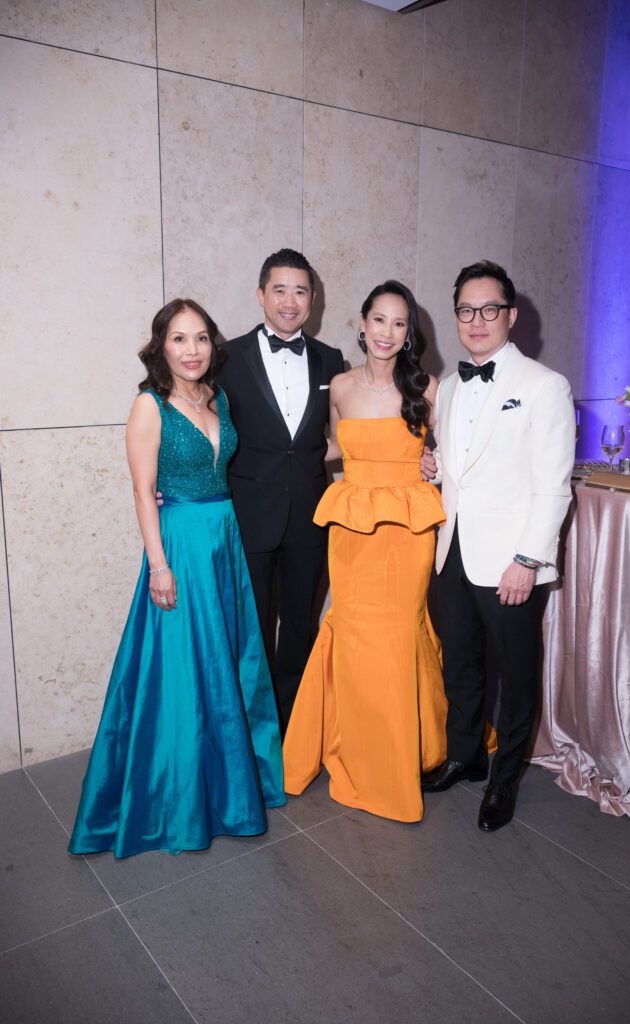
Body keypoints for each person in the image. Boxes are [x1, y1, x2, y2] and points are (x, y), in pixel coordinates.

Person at [69, 299, 285, 859]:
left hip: (224, 538)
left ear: (213, 344)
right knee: (185, 670)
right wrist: (159, 565)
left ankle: (229, 787)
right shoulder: (149, 406)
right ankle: (179, 801)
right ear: (161, 346)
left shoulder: (218, 397)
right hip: (182, 545)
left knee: (228, 663)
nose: (192, 350)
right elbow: (143, 491)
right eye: (179, 339)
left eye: (201, 338)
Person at [282, 281, 449, 823]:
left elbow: (455, 458)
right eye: (380, 320)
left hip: (407, 530)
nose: (387, 332)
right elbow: (329, 449)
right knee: (351, 632)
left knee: (399, 633)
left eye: (400, 324)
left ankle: (402, 755)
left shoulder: (430, 389)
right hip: (353, 528)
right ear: (361, 322)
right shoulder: (340, 388)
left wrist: (435, 464)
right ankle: (353, 748)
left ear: (410, 335)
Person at [421, 260, 575, 832]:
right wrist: (433, 467)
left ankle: (505, 777)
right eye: (466, 310)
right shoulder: (452, 387)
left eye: (490, 309)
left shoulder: (544, 385)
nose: (477, 320)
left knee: (515, 671)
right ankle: (465, 755)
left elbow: (552, 486)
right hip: (452, 552)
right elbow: (460, 469)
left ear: (511, 315)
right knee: (459, 662)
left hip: (511, 561)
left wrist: (528, 560)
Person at [217, 249, 344, 732]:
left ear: (313, 299)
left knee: (299, 625)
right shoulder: (226, 357)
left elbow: (339, 440)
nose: (290, 301)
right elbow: (208, 430)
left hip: (310, 515)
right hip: (249, 515)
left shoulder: (332, 360)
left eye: (300, 291)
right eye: (280, 290)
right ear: (260, 295)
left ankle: (294, 726)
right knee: (250, 627)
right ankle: (251, 726)